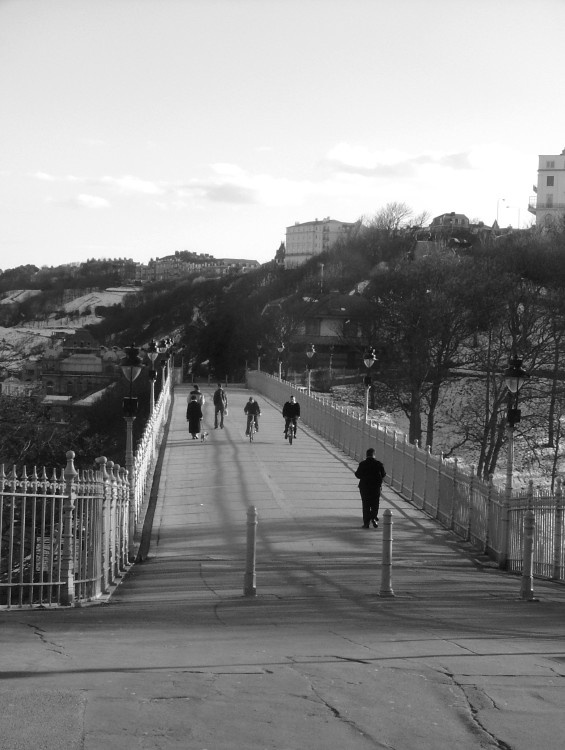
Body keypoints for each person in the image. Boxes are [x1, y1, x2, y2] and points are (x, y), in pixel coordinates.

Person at [354, 448, 386, 529]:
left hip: (364, 487)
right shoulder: (379, 464)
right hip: (375, 487)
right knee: (375, 504)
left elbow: (358, 475)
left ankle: (366, 523)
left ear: (366, 455)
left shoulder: (362, 464)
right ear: (374, 455)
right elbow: (383, 474)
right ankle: (373, 517)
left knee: (366, 505)